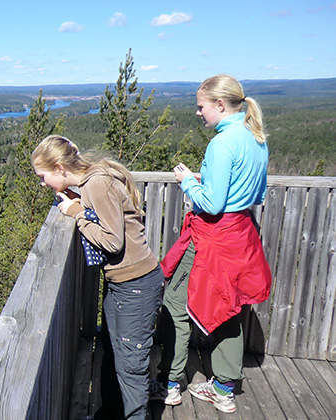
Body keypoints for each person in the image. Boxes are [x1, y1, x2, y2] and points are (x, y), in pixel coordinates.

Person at [154, 74, 272, 414]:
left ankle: (170, 383)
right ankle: (223, 389)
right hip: (241, 235)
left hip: (212, 237)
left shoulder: (222, 143)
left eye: (201, 106)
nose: (198, 113)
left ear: (220, 105)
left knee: (176, 305)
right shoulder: (255, 137)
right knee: (229, 308)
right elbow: (257, 194)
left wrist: (188, 182)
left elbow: (213, 203)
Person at [32, 135, 164, 420]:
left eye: (43, 177)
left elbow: (112, 241)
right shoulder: (90, 183)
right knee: (112, 356)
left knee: (131, 368)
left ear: (60, 168)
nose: (43, 183)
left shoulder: (97, 184)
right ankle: (110, 415)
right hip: (124, 284)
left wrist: (78, 212)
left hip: (136, 286)